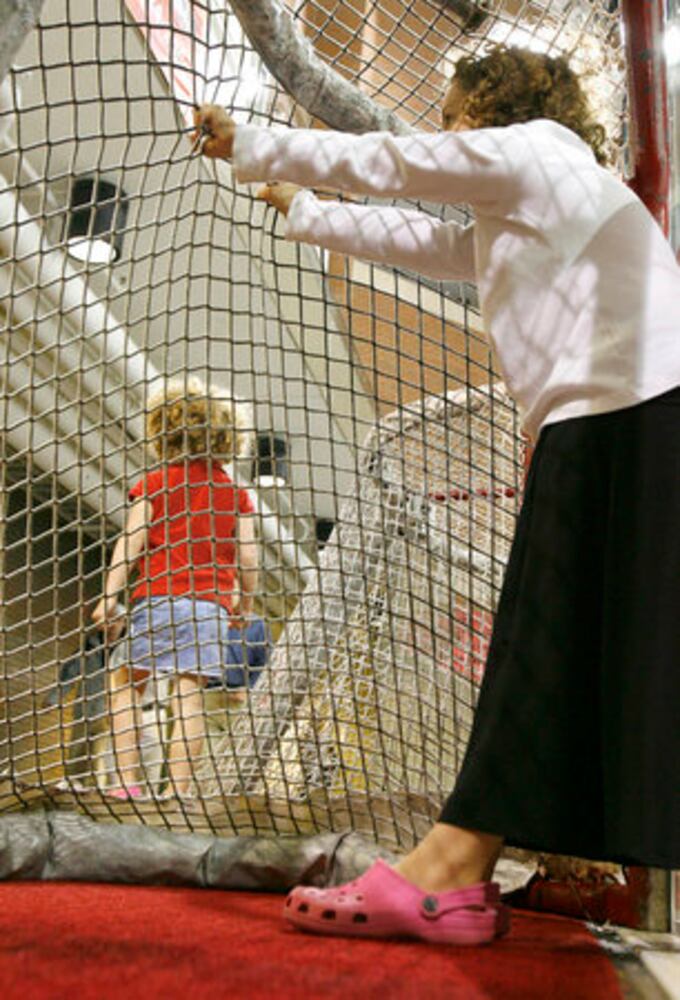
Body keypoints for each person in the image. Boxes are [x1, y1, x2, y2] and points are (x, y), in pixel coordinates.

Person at [193, 44, 680, 944]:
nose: (448, 128)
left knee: (548, 646)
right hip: (616, 420)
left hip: (630, 414)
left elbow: (396, 163)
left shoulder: (535, 150)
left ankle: (452, 870)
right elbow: (422, 240)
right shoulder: (529, 210)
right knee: (559, 648)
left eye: (458, 111)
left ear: (498, 107)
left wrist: (258, 143)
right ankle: (461, 866)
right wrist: (304, 213)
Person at [92, 376, 259, 798]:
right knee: (188, 695)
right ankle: (179, 791)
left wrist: (108, 596)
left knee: (128, 683)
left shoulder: (154, 483)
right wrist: (245, 603)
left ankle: (127, 785)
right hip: (210, 606)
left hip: (157, 597)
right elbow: (249, 557)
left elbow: (130, 540)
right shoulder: (234, 493)